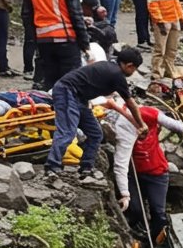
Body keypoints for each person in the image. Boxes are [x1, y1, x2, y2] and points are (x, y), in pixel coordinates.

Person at [43, 49, 145, 182]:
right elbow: (130, 103)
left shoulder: (110, 67)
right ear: (129, 65)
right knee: (67, 131)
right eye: (134, 69)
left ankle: (86, 167)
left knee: (95, 133)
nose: (133, 73)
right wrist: (141, 124)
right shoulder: (117, 74)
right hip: (67, 92)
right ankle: (52, 166)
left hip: (80, 98)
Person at [117, 103, 183, 238]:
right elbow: (121, 163)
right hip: (135, 174)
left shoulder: (146, 113)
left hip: (157, 174)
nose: (140, 133)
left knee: (158, 212)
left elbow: (168, 121)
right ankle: (138, 233)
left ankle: (156, 240)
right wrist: (125, 193)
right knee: (135, 208)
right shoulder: (124, 129)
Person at [23, 0, 89, 91]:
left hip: (43, 40)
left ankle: (51, 105)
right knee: (71, 84)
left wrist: (34, 39)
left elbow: (27, 14)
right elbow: (76, 14)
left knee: (50, 83)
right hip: (66, 38)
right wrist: (85, 44)